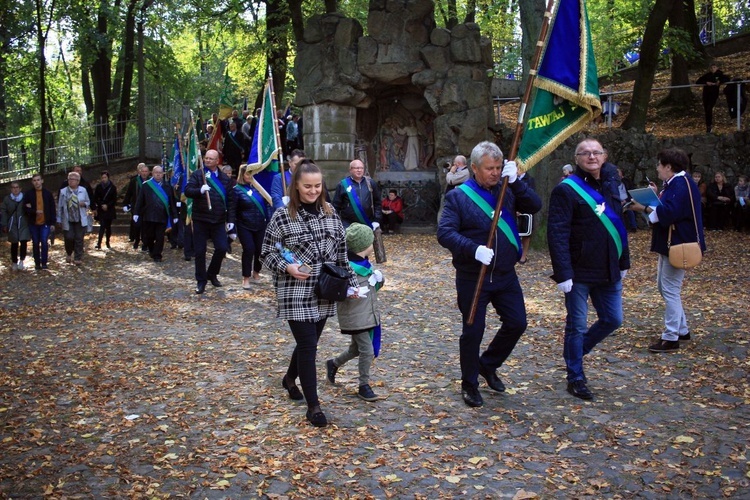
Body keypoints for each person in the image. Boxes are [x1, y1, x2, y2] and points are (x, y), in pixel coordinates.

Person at [437, 141, 542, 408]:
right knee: (473, 330)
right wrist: (473, 250)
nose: (494, 173)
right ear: (474, 168)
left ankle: (488, 364)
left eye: (498, 167)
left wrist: (517, 181)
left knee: (517, 323)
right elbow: (445, 233)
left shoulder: (507, 188)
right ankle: (469, 383)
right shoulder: (458, 197)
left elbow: (535, 205)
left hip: (505, 274)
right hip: (474, 276)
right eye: (489, 168)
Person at [261, 160, 358, 427]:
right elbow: (267, 253)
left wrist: (350, 283)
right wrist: (288, 267)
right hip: (294, 291)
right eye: (308, 186)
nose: (313, 191)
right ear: (296, 186)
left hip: (325, 290)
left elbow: (341, 255)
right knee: (308, 345)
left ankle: (289, 379)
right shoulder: (282, 216)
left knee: (310, 342)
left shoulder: (331, 213)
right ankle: (313, 406)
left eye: (318, 186)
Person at [547, 138, 630, 400]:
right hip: (579, 270)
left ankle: (575, 351)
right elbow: (557, 233)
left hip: (608, 267)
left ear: (604, 156)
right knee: (576, 326)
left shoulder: (612, 184)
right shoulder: (567, 189)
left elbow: (620, 227)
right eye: (585, 153)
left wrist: (624, 260)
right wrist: (563, 272)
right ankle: (576, 377)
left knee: (613, 319)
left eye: (596, 152)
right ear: (577, 158)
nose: (592, 157)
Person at [628, 148, 705, 353]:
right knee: (665, 287)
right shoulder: (678, 182)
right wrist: (655, 196)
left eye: (660, 165)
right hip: (671, 242)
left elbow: (670, 213)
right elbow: (669, 207)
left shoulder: (681, 184)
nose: (657, 168)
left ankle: (671, 336)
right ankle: (681, 329)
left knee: (669, 288)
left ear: (669, 167)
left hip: (678, 243)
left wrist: (643, 208)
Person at [325, 223, 384, 402]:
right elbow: (338, 292)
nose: (372, 246)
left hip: (368, 313)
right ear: (363, 247)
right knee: (366, 351)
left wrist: (379, 280)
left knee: (355, 349)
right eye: (370, 243)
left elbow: (373, 290)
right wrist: (350, 292)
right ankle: (363, 385)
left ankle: (333, 364)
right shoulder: (346, 267)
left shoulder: (365, 264)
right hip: (355, 316)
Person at [184, 149, 232, 294]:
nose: (208, 160)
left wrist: (231, 221)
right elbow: (187, 190)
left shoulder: (224, 178)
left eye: (211, 159)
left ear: (217, 161)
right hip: (201, 219)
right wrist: (199, 190)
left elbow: (230, 201)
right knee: (200, 251)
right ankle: (201, 280)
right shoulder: (198, 175)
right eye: (206, 158)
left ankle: (211, 273)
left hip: (218, 220)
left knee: (222, 248)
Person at [228, 165, 270, 289]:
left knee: (260, 250)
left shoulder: (260, 189)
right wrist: (231, 225)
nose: (250, 177)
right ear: (242, 175)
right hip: (244, 225)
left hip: (260, 224)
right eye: (248, 174)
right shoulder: (236, 190)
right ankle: (246, 277)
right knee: (249, 249)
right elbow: (232, 209)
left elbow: (267, 205)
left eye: (252, 174)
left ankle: (256, 271)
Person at [133, 166, 178, 263]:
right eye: (156, 172)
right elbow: (140, 200)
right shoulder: (146, 185)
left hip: (162, 216)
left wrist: (175, 215)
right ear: (152, 173)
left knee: (160, 237)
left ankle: (157, 255)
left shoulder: (168, 187)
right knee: (149, 237)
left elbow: (172, 202)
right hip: (149, 216)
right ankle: (152, 250)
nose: (158, 174)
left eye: (160, 173)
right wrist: (136, 212)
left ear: (163, 174)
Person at [332, 159, 382, 229]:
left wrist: (376, 220)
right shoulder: (343, 185)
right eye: (356, 168)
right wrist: (336, 223)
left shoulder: (371, 183)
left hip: (367, 223)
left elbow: (377, 203)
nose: (359, 170)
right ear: (350, 170)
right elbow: (336, 206)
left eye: (361, 168)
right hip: (348, 225)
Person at [57, 171, 91, 266]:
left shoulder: (83, 190)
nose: (70, 181)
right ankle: (69, 252)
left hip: (80, 218)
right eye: (69, 179)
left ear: (78, 181)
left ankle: (77, 257)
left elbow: (88, 202)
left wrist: (83, 204)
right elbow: (60, 206)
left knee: (79, 238)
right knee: (69, 237)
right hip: (68, 219)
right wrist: (59, 219)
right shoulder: (63, 191)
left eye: (73, 179)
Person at [23, 174, 56, 270]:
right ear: (32, 182)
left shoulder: (47, 194)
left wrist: (53, 223)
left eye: (38, 180)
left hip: (45, 222)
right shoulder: (29, 194)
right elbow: (25, 208)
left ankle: (44, 262)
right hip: (33, 223)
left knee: (44, 241)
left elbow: (52, 209)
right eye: (34, 180)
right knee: (36, 242)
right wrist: (34, 211)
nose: (36, 182)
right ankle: (37, 263)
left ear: (42, 181)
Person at [1, 182, 31, 270]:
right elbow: (4, 212)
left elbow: (30, 209)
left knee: (23, 242)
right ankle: (14, 262)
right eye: (13, 187)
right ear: (11, 189)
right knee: (14, 243)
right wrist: (4, 224)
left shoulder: (25, 197)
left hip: (23, 223)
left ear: (20, 188)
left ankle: (22, 260)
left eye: (17, 187)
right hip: (12, 224)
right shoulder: (7, 199)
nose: (15, 189)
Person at [123, 163, 150, 250]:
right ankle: (136, 240)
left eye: (146, 171)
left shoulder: (151, 181)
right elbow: (129, 194)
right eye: (143, 171)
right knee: (137, 225)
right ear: (140, 172)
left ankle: (145, 243)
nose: (144, 173)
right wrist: (125, 204)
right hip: (136, 207)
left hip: (147, 207)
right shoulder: (134, 181)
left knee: (145, 227)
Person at [695, 63, 729, 133]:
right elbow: (698, 81)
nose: (712, 69)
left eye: (714, 67)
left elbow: (727, 78)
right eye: (711, 68)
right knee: (706, 110)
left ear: (717, 68)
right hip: (706, 94)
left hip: (713, 94)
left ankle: (709, 126)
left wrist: (720, 81)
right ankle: (708, 126)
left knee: (709, 108)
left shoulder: (720, 75)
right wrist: (706, 82)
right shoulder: (707, 75)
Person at [93, 171, 117, 249]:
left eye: (105, 177)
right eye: (102, 177)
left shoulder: (112, 187)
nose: (103, 179)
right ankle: (99, 243)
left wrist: (108, 205)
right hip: (101, 209)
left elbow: (114, 199)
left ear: (108, 177)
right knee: (102, 226)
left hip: (109, 210)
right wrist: (101, 205)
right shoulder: (99, 187)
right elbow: (95, 198)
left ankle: (107, 241)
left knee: (108, 227)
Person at [517, 171, 536, 264]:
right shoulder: (511, 178)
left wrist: (523, 209)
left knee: (527, 234)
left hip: (526, 211)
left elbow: (531, 195)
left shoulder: (530, 179)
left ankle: (523, 256)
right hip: (514, 210)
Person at [617, 168, 638, 232]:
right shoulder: (612, 184)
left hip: (627, 201)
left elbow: (631, 193)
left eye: (619, 174)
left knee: (630, 210)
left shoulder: (626, 182)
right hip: (617, 202)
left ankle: (633, 227)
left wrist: (625, 200)